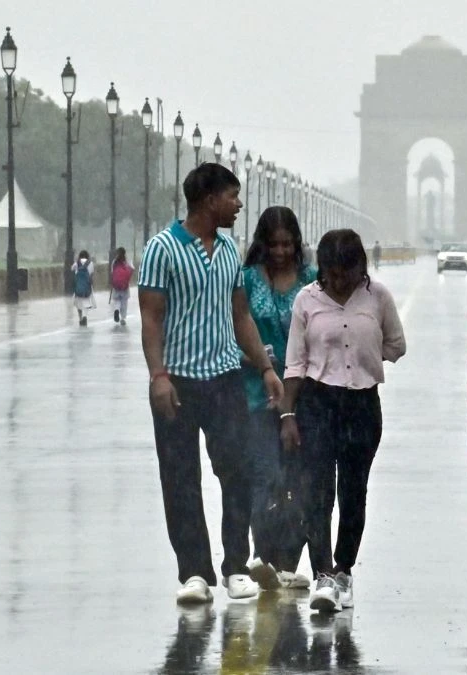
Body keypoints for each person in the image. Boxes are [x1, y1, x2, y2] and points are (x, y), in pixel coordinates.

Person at [138, 163, 285, 605]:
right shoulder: (162, 249)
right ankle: (194, 573)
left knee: (236, 473)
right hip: (178, 381)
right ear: (208, 200)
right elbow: (151, 318)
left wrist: (265, 368)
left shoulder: (228, 251)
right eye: (232, 196)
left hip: (225, 378)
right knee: (180, 478)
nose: (238, 205)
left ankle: (235, 567)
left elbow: (240, 316)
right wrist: (158, 376)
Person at [279, 229, 406, 613]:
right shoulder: (307, 299)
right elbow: (295, 362)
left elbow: (396, 345)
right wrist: (288, 415)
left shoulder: (378, 297)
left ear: (359, 267)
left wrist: (364, 357)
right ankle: (322, 575)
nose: (338, 282)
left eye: (346, 273)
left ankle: (344, 570)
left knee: (353, 492)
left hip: (362, 405)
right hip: (317, 403)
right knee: (317, 492)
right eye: (331, 273)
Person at [241, 206, 318, 591]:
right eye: (274, 245)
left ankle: (289, 560)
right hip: (256, 395)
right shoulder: (245, 281)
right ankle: (264, 556)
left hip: (305, 396)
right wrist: (259, 360)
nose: (281, 252)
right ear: (263, 244)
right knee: (266, 477)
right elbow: (232, 330)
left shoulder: (312, 281)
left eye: (288, 244)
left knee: (302, 480)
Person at [109, 247, 135, 325]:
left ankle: (116, 309)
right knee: (124, 302)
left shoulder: (114, 261)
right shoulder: (127, 261)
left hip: (116, 285)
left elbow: (112, 272)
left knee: (117, 300)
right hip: (125, 285)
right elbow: (132, 268)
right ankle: (123, 318)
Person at [71, 250, 95, 327]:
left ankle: (80, 319)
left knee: (78, 304)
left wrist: (76, 262)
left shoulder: (77, 263)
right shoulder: (91, 263)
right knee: (86, 303)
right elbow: (91, 274)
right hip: (87, 286)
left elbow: (72, 269)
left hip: (78, 286)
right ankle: (85, 316)